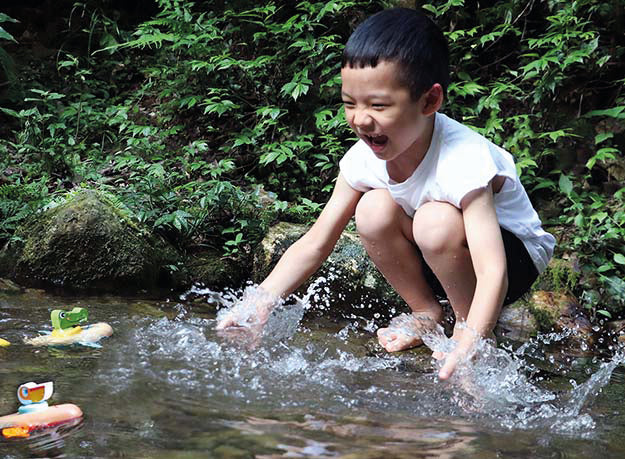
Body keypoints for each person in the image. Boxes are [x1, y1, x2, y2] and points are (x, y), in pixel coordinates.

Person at [216, 7, 555, 380]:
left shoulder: (464, 160)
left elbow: (494, 271)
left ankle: (462, 323)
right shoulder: (364, 159)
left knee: (434, 221)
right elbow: (316, 241)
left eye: (378, 105)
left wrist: (472, 340)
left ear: (429, 102)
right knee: (373, 209)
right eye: (350, 103)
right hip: (443, 249)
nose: (360, 119)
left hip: (513, 257)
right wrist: (260, 301)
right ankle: (426, 312)